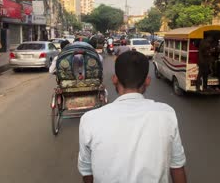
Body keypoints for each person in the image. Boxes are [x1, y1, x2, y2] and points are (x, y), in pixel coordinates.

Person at [78, 51, 187, 183]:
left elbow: (87, 172)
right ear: (147, 81)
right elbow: (177, 166)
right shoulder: (166, 114)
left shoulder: (90, 119)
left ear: (115, 79)